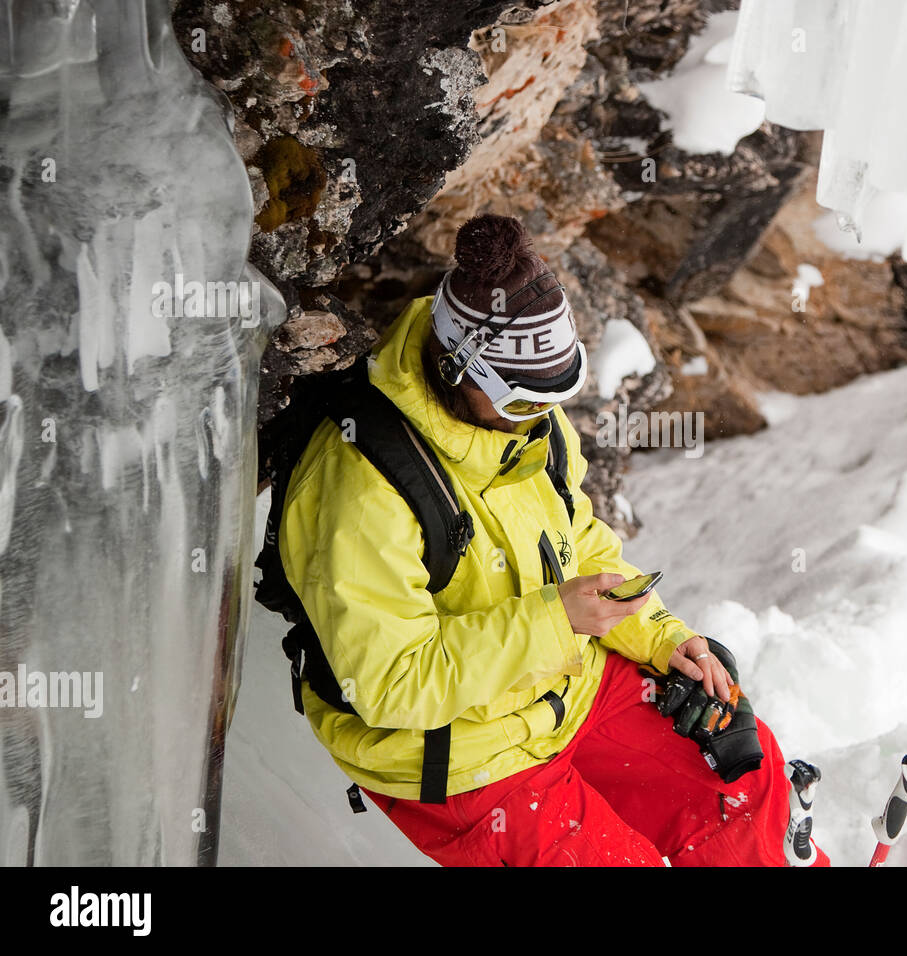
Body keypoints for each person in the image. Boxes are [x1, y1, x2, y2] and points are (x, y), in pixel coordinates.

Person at [277, 214, 828, 867]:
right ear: (460, 371)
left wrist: (665, 640)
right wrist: (555, 618)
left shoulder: (525, 419)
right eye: (523, 400)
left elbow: (580, 543)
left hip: (562, 688)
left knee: (741, 776)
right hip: (456, 754)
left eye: (551, 396)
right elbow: (392, 688)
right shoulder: (367, 491)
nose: (540, 414)